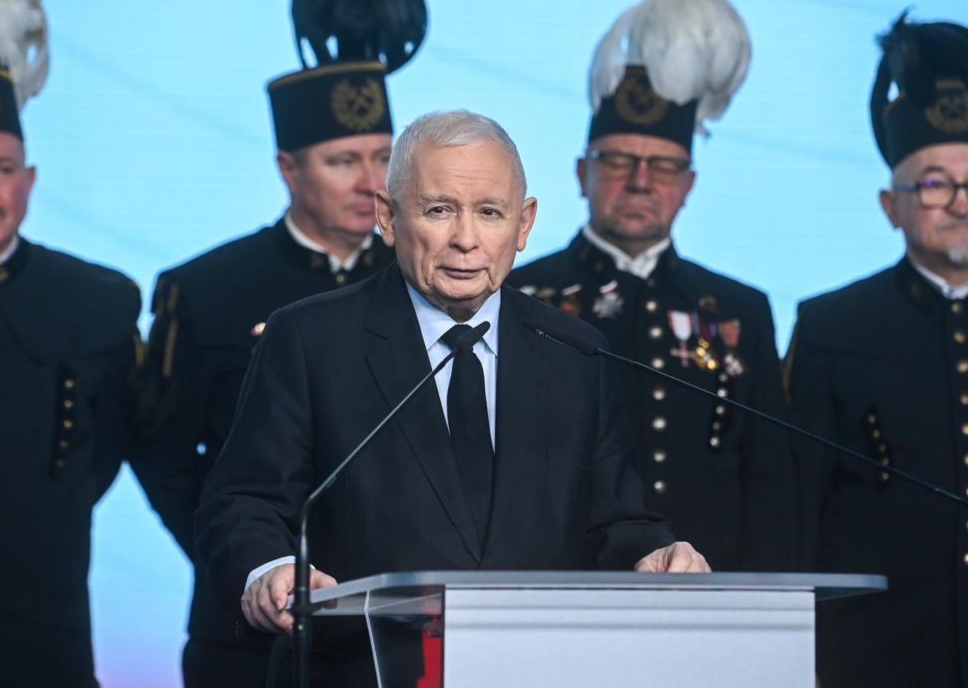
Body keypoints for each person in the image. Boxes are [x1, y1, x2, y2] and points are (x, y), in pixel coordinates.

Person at [195, 109, 710, 686]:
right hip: (361, 671)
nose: (465, 240)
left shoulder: (576, 352)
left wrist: (654, 553)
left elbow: (612, 519)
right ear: (387, 217)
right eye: (439, 210)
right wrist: (269, 569)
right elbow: (243, 503)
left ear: (524, 223)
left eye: (490, 213)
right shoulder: (310, 339)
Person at [132, 0, 428, 688]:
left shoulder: (431, 277)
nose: (370, 181)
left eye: (382, 157)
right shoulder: (207, 290)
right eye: (342, 161)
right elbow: (164, 455)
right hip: (252, 631)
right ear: (288, 168)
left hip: (397, 623)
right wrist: (249, 557)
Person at [507, 0, 796, 573]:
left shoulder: (740, 310)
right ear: (581, 173)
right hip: (557, 597)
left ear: (688, 185)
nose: (641, 181)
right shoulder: (518, 294)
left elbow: (771, 488)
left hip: (709, 601)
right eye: (619, 161)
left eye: (663, 166)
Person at [786, 13, 968, 687]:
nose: (959, 201)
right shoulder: (834, 327)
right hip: (875, 657)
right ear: (891, 205)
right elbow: (797, 518)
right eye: (933, 182)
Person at [0, 0, 140, 687]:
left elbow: (104, 457)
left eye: (3, 168)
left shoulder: (97, 301)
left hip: (44, 649)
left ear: (31, 181)